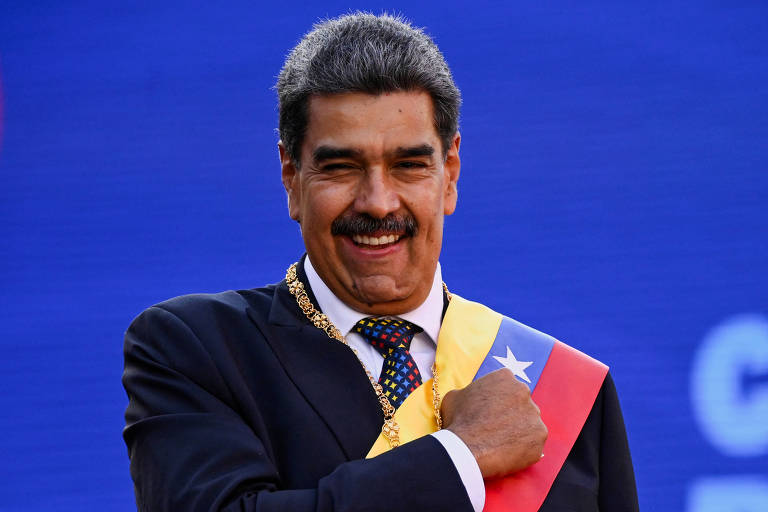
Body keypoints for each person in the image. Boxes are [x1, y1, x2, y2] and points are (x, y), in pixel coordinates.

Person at [122, 13, 638, 512]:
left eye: (409, 165)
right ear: (290, 177)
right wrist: (461, 455)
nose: (378, 203)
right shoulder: (198, 349)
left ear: (450, 173)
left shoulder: (567, 389)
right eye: (342, 167)